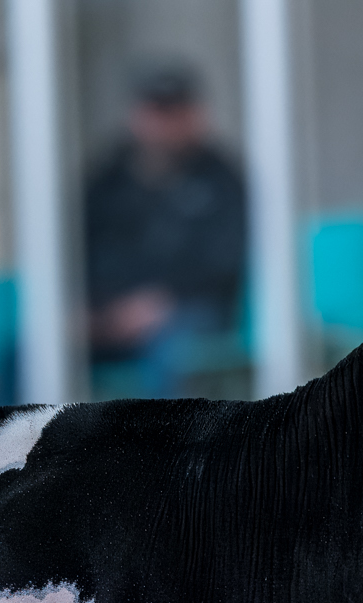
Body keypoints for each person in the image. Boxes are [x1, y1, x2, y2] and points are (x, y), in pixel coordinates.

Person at [80, 59, 245, 398]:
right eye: (156, 110)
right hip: (107, 317)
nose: (164, 123)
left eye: (175, 111)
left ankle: (160, 451)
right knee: (26, 352)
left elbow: (226, 261)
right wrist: (93, 309)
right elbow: (78, 250)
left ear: (196, 115)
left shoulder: (221, 178)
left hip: (187, 311)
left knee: (174, 354)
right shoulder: (106, 179)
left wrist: (162, 301)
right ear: (136, 115)